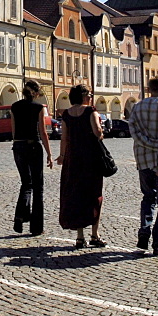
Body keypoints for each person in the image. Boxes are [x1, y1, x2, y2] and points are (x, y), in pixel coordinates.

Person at [129, 76, 158, 255]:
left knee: (148, 199)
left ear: (149, 89)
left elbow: (133, 132)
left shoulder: (137, 107)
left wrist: (147, 143)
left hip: (143, 160)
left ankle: (144, 232)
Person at [56, 84, 105, 249]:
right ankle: (95, 234)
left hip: (73, 159)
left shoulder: (67, 115)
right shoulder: (91, 112)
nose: (90, 97)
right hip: (90, 159)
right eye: (89, 94)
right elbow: (98, 132)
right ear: (84, 96)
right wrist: (101, 131)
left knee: (76, 195)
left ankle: (79, 237)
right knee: (94, 195)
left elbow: (64, 138)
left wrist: (62, 156)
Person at [10, 80, 54, 236]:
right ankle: (36, 227)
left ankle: (19, 216)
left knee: (25, 183)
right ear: (36, 93)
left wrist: (18, 144)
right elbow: (42, 132)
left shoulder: (14, 107)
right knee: (38, 187)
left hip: (18, 146)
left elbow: (14, 131)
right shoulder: (38, 108)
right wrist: (49, 153)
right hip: (33, 146)